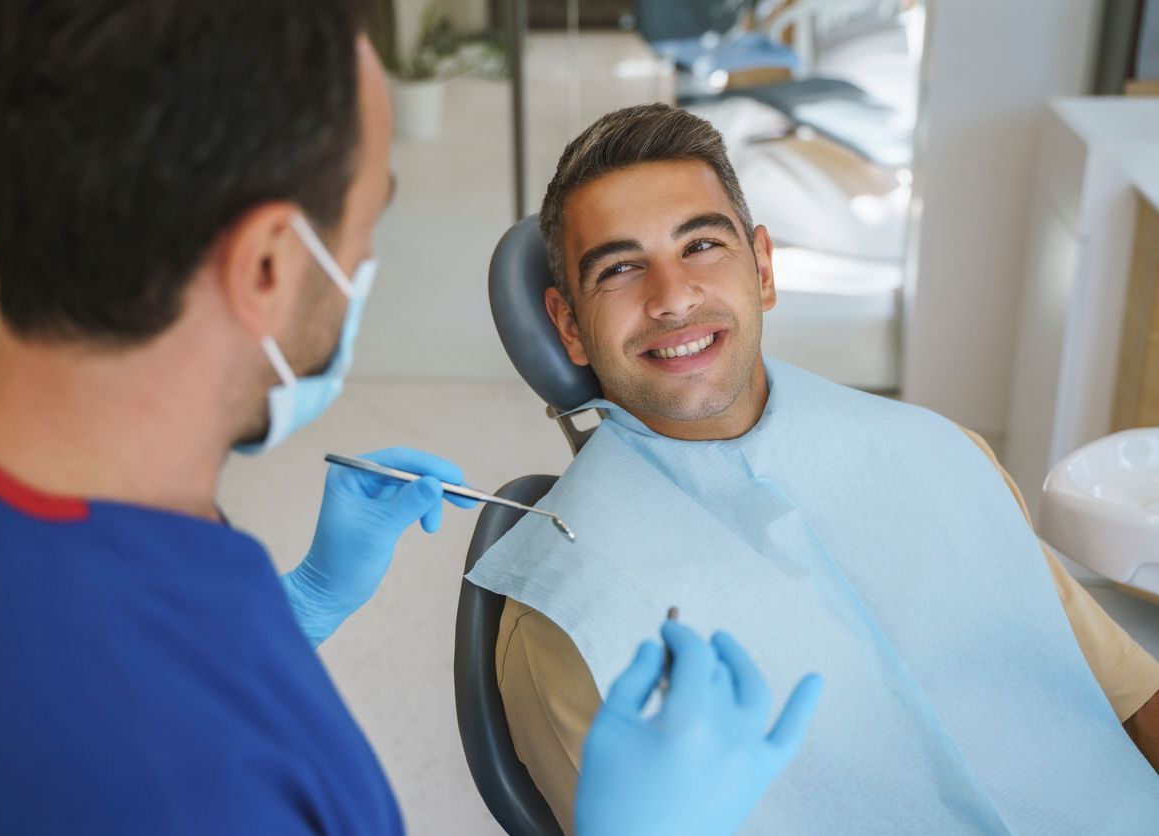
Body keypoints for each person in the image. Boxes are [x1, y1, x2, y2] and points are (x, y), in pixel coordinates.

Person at [0, 3, 821, 834]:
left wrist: (294, 605)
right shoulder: (210, 786)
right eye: (364, 222)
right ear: (268, 267)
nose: (367, 259)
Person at [467, 103, 1159, 834]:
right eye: (619, 268)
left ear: (761, 268)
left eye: (700, 245)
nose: (671, 298)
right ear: (570, 325)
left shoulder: (944, 455)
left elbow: (1135, 698)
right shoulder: (568, 623)